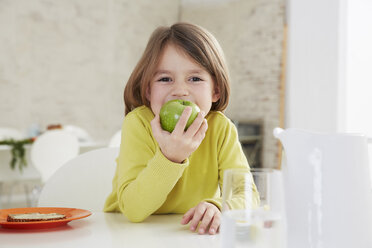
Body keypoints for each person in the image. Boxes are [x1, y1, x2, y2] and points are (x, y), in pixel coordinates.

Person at [104, 22, 259, 235]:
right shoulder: (138, 124)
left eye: (195, 79)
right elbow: (133, 210)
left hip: (189, 235)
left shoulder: (221, 129)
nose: (179, 91)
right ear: (148, 90)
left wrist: (219, 206)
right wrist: (170, 158)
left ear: (216, 90)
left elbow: (247, 194)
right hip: (127, 234)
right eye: (165, 79)